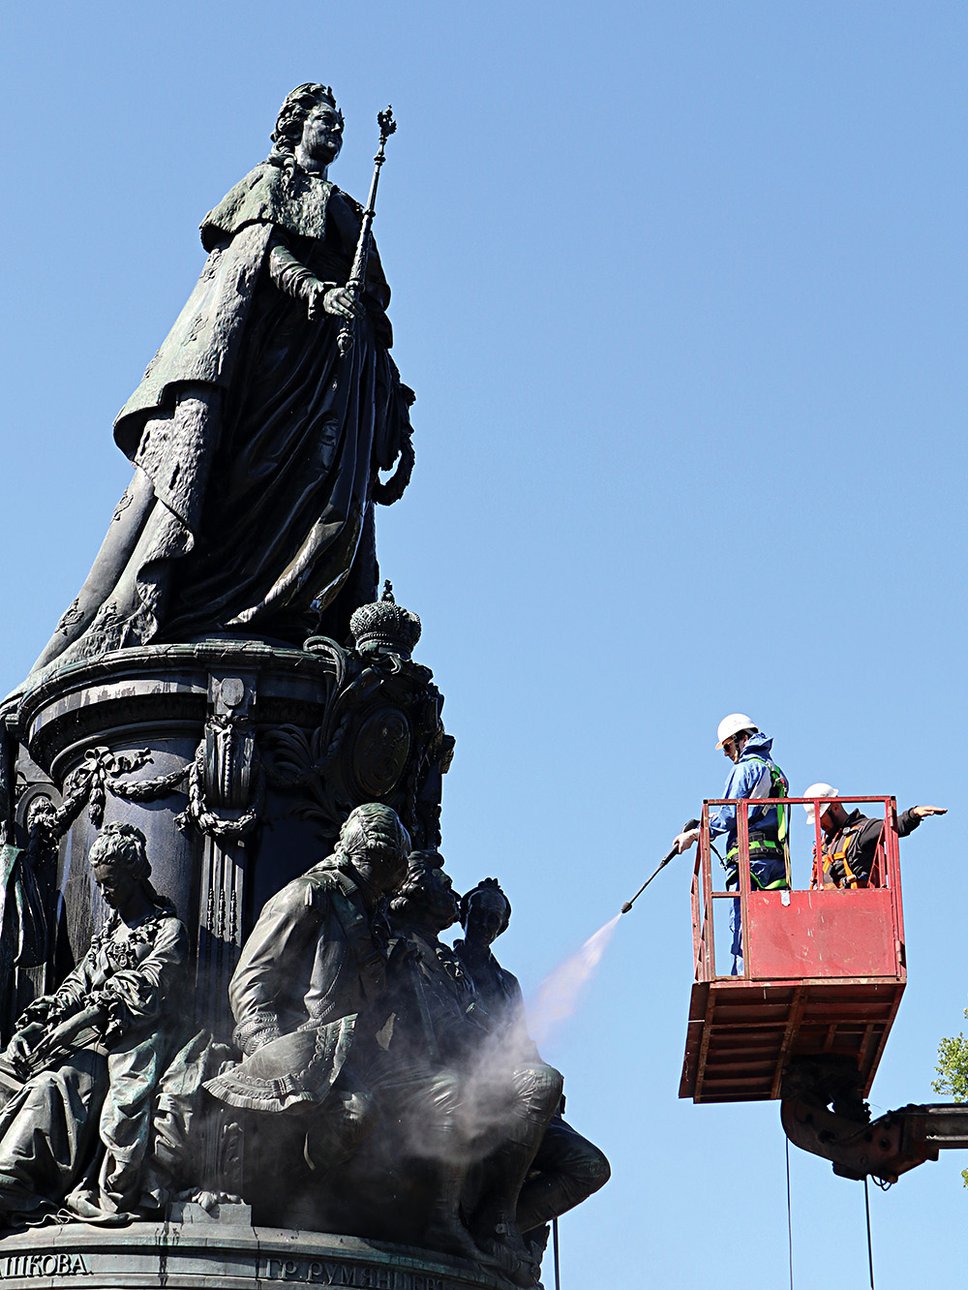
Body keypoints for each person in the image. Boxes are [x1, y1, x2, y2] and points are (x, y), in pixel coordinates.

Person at [27, 82, 415, 685]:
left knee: (326, 495)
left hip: (333, 376)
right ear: (296, 126)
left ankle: (292, 608)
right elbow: (266, 257)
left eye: (340, 124)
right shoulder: (269, 185)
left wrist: (363, 322)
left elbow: (373, 293)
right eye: (324, 120)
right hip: (275, 369)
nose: (335, 131)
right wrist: (319, 293)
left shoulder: (345, 207)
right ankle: (218, 603)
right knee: (250, 481)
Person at [0, 823, 188, 1224]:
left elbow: (151, 986)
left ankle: (16, 1177)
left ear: (136, 876)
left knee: (65, 1083)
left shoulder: (169, 930)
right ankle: (11, 1175)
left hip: (137, 1041)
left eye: (112, 883)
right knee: (20, 1071)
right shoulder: (107, 935)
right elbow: (77, 984)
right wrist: (45, 1017)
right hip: (91, 1038)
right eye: (99, 885)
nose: (104, 894)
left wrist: (77, 1023)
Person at [452, 879, 610, 1254]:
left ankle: (495, 1231)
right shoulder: (444, 964)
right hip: (463, 1087)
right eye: (480, 913)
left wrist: (549, 1083)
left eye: (495, 918)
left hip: (516, 1088)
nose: (486, 923)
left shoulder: (508, 984)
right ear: (464, 914)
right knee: (542, 1083)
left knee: (591, 1167)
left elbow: (521, 1042)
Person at [673, 713, 789, 973]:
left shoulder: (746, 769)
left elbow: (730, 813)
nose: (726, 753)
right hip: (775, 863)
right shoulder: (774, 771)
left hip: (750, 861)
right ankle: (772, 970)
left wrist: (696, 834)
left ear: (742, 739)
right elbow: (752, 809)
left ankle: (745, 975)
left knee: (743, 926)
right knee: (770, 924)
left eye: (727, 746)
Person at [802, 783, 946, 889]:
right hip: (825, 914)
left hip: (854, 909)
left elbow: (892, 826)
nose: (819, 824)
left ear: (835, 806)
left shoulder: (862, 831)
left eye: (820, 817)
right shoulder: (825, 844)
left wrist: (913, 814)